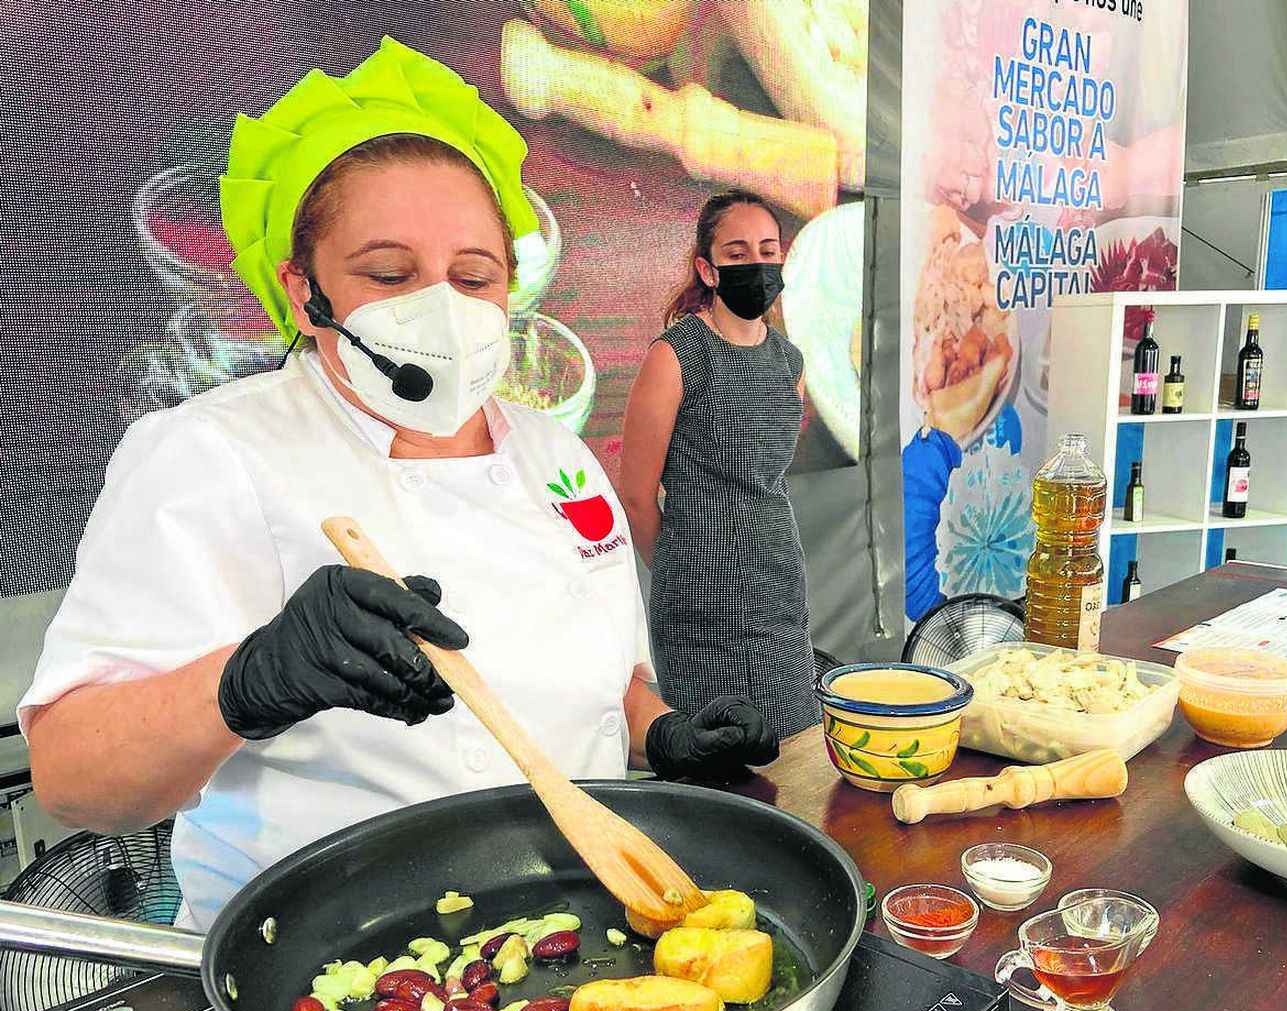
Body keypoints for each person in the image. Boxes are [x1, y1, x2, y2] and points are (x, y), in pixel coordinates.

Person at [18, 40, 776, 931]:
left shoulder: (554, 458)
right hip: (322, 972)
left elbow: (602, 682)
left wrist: (661, 732)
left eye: (473, 275)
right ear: (304, 295)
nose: (442, 306)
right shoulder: (211, 452)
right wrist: (253, 678)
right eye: (389, 274)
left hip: (575, 937)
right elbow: (71, 780)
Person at [619, 191, 822, 742]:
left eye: (767, 250)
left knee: (794, 742)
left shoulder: (789, 361)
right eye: (737, 254)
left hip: (779, 575)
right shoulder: (677, 354)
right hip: (696, 593)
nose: (755, 264)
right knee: (718, 748)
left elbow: (768, 479)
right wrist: (682, 570)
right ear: (707, 269)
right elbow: (635, 495)